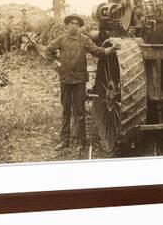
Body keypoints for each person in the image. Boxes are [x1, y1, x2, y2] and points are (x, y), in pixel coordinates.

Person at [47, 14, 119, 152]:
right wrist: (56, 65)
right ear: (67, 25)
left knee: (80, 112)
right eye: (71, 23)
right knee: (66, 111)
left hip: (79, 80)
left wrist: (108, 50)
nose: (74, 26)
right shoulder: (61, 39)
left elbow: (96, 51)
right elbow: (48, 50)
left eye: (76, 24)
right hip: (65, 80)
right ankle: (64, 140)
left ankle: (82, 142)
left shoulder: (84, 39)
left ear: (79, 26)